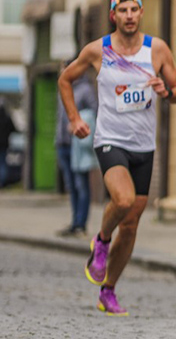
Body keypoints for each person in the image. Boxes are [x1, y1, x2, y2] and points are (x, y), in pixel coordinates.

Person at [59, 0, 176, 316]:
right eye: (123, 10)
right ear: (113, 15)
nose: (129, 15)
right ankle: (101, 240)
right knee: (124, 200)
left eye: (135, 9)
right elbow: (65, 79)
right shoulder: (97, 50)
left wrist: (166, 90)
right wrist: (74, 119)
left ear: (141, 13)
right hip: (110, 139)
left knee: (130, 226)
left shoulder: (156, 49)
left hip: (144, 146)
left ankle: (109, 290)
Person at [56, 67, 97, 237]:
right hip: (63, 143)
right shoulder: (63, 88)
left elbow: (94, 112)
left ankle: (81, 224)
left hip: (78, 145)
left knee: (81, 185)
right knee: (71, 186)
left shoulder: (86, 89)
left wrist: (78, 123)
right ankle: (74, 222)